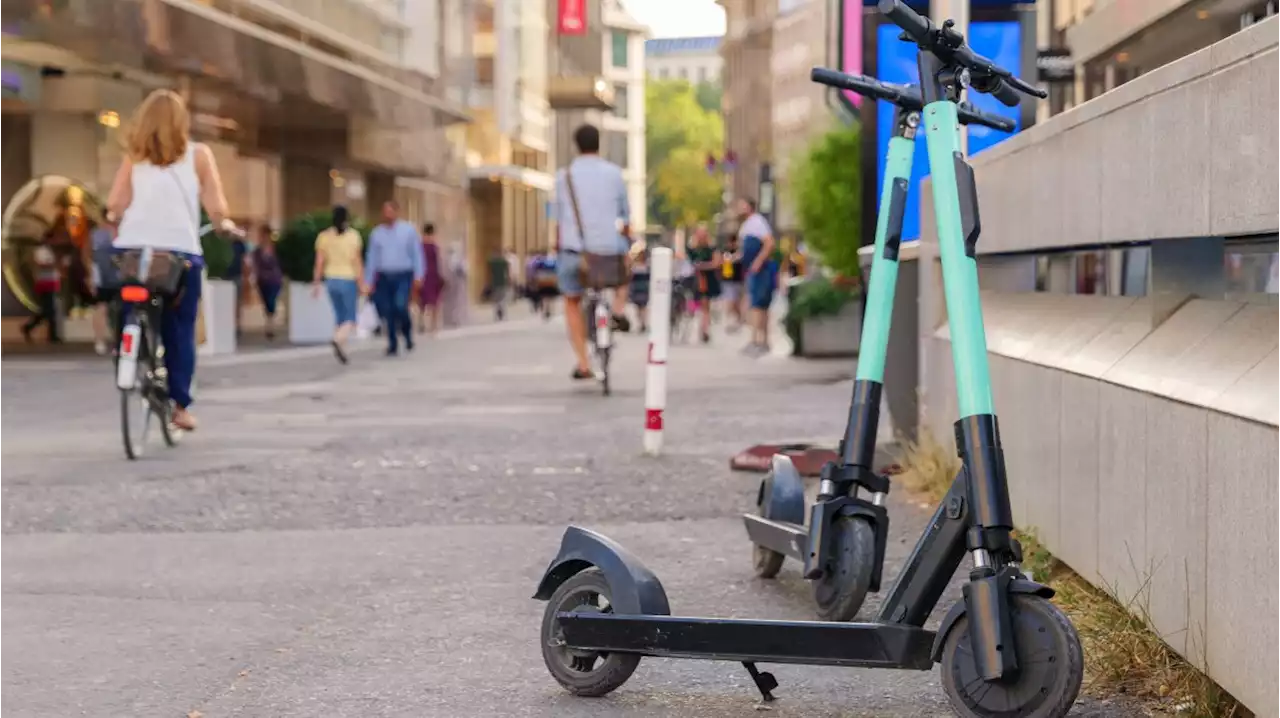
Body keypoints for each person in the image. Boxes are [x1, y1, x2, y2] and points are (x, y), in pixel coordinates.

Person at [107, 88, 235, 431]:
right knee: (180, 328)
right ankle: (180, 406)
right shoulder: (199, 155)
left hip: (133, 252)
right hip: (179, 256)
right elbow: (217, 207)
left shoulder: (134, 158)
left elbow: (116, 204)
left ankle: (128, 354)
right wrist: (223, 224)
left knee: (128, 304)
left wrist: (115, 218)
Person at [552, 123, 633, 381]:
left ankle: (583, 362)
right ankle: (618, 311)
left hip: (575, 251)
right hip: (609, 251)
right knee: (624, 273)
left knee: (572, 301)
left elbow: (557, 219)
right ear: (600, 144)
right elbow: (625, 216)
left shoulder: (563, 177)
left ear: (576, 145)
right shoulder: (614, 174)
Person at [364, 200, 424, 356]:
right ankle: (392, 343)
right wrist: (368, 282)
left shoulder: (408, 231)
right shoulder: (377, 234)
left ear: (397, 212)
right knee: (387, 310)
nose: (387, 214)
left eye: (390, 211)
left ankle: (407, 333)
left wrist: (419, 274)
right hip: (384, 277)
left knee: (400, 305)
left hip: (403, 275)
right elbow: (372, 259)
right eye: (385, 211)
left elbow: (416, 254)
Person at [313, 205, 364, 364]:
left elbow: (319, 262)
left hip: (331, 279)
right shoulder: (354, 236)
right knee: (350, 317)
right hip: (347, 278)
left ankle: (342, 348)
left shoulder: (324, 236)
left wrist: (316, 283)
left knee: (339, 316)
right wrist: (362, 282)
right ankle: (337, 339)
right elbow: (356, 262)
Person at [736, 197, 778, 356]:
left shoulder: (757, 222)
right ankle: (763, 340)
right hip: (754, 268)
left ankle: (756, 340)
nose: (739, 208)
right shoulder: (747, 225)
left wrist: (758, 262)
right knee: (760, 304)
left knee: (757, 304)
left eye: (742, 205)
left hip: (760, 270)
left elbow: (769, 243)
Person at [87, 217, 119, 355]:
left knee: (118, 309)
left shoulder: (124, 231)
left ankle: (118, 340)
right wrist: (91, 276)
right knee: (101, 307)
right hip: (105, 277)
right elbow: (88, 255)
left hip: (119, 276)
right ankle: (100, 340)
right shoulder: (97, 234)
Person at [687, 223, 722, 344]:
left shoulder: (712, 248)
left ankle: (704, 329)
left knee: (705, 305)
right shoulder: (692, 248)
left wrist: (703, 266)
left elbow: (717, 262)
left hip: (708, 279)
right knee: (696, 304)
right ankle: (700, 327)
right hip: (695, 279)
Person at [22, 244, 61, 344]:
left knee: (47, 311)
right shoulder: (41, 250)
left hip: (51, 282)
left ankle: (28, 327)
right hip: (44, 283)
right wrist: (53, 264)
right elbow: (40, 264)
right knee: (50, 310)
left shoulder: (51, 251)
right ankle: (52, 335)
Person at [250, 224, 284, 341]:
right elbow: (255, 265)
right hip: (262, 280)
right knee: (266, 302)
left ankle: (270, 326)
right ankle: (269, 322)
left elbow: (280, 263)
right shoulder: (257, 251)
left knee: (271, 301)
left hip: (274, 279)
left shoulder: (276, 249)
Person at [415, 222, 445, 335]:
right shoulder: (434, 246)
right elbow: (439, 262)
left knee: (422, 301)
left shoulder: (419, 246)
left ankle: (421, 322)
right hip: (433, 275)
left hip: (423, 275)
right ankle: (433, 326)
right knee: (435, 302)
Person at [225, 227, 249, 336]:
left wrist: (246, 276)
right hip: (227, 276)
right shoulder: (224, 245)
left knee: (237, 302)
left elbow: (244, 261)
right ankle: (231, 325)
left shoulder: (240, 245)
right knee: (230, 303)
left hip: (237, 275)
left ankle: (237, 325)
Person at [720, 234, 745, 332]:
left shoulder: (740, 252)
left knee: (736, 303)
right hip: (727, 280)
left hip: (737, 280)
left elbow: (739, 259)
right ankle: (730, 321)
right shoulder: (725, 251)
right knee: (729, 301)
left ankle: (738, 320)